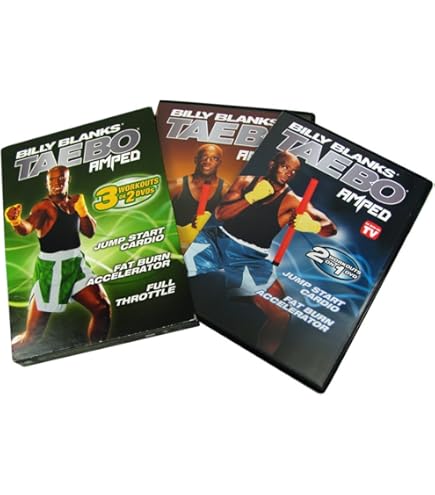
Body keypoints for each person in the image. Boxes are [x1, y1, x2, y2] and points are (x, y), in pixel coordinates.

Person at [185, 151, 337, 354]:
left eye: (293, 171)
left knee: (281, 315)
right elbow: (221, 214)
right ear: (272, 164)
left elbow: (330, 228)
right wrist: (251, 197)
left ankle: (263, 358)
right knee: (172, 263)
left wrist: (313, 226)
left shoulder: (292, 200)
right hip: (218, 240)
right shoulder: (245, 181)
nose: (289, 173)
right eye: (285, 166)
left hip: (251, 257)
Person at [4, 165, 111, 352]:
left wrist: (83, 212)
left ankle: (98, 351)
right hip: (51, 270)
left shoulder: (75, 202)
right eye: (52, 180)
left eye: (61, 179)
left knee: (102, 308)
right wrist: (16, 221)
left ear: (68, 180)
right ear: (46, 183)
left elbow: (89, 232)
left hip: (76, 264)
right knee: (32, 338)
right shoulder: (44, 207)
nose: (56, 183)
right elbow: (28, 227)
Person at [169, 144, 230, 250]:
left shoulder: (225, 190)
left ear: (219, 163)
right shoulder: (176, 186)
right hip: (174, 246)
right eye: (204, 157)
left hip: (204, 249)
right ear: (196, 159)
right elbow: (154, 218)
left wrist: (212, 222)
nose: (208, 161)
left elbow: (231, 227)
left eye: (214, 158)